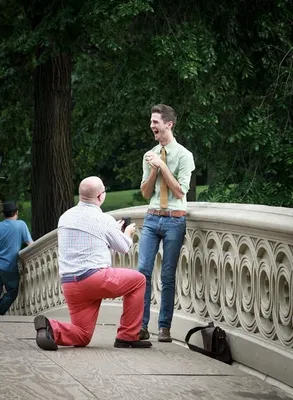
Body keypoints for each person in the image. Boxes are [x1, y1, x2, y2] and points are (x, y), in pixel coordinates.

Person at [34, 176, 152, 350]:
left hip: (70, 284)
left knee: (82, 335)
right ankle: (127, 336)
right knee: (138, 280)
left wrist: (112, 231)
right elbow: (124, 248)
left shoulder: (65, 217)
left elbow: (91, 240)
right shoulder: (103, 219)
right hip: (94, 279)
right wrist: (126, 232)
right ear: (99, 196)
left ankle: (52, 328)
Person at [138, 104, 195, 342]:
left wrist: (163, 166)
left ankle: (164, 328)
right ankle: (140, 326)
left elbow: (180, 192)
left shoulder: (184, 155)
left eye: (156, 122)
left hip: (174, 221)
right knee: (142, 272)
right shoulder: (149, 155)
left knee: (169, 275)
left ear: (169, 124)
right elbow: (145, 192)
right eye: (151, 122)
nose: (152, 126)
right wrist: (153, 170)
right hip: (151, 219)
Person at [0, 200, 33, 315]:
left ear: (4, 214)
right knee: (12, 291)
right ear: (16, 212)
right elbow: (30, 244)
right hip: (10, 266)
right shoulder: (21, 225)